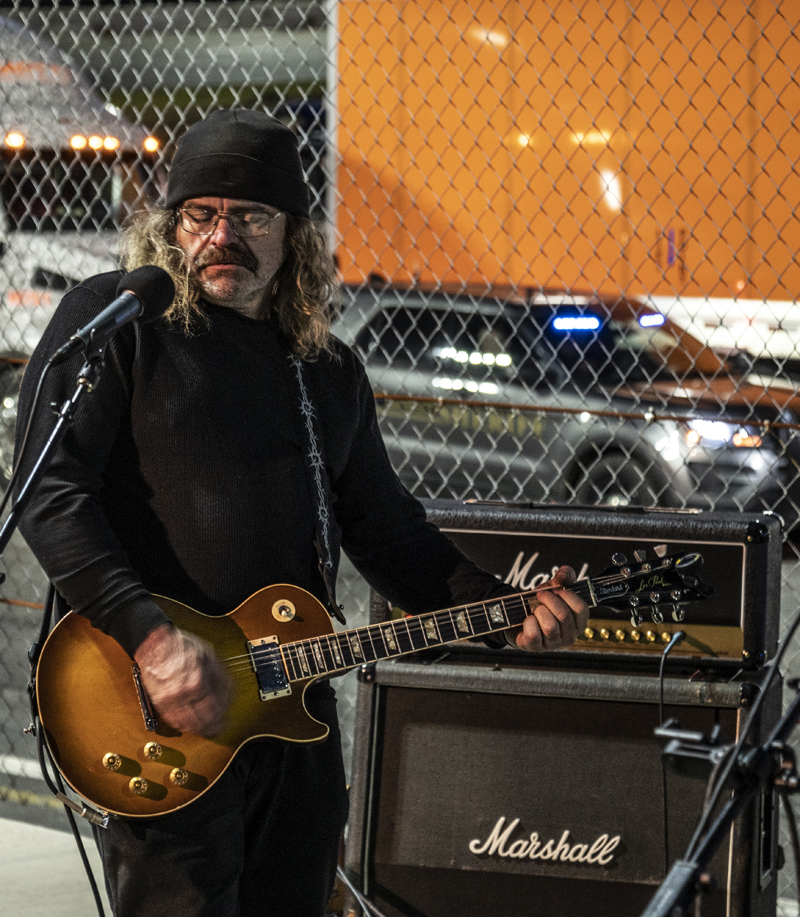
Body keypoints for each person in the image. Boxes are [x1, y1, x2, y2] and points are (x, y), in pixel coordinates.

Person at [15, 109, 589, 917]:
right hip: (158, 708)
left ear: (295, 236)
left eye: (250, 216)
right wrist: (148, 636)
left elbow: (390, 533)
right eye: (201, 214)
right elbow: (48, 491)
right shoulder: (119, 323)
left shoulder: (326, 370)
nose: (222, 235)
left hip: (294, 712)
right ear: (171, 225)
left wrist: (502, 610)